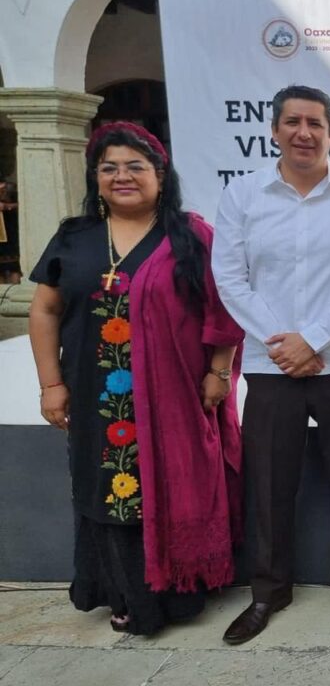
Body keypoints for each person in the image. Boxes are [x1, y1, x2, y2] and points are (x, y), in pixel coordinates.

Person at [28, 121, 244, 635]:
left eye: (135, 167)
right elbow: (44, 311)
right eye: (109, 168)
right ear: (95, 178)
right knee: (109, 487)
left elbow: (223, 310)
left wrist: (219, 372)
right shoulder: (73, 237)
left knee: (168, 485)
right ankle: (124, 593)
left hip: (174, 398)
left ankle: (176, 595)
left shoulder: (190, 237)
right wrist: (51, 383)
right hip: (95, 397)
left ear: (160, 175)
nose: (122, 176)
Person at [213, 85, 330, 644]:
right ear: (274, 130)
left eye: (315, 123)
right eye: (293, 122)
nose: (304, 132)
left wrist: (310, 340)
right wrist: (280, 342)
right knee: (269, 483)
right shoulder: (242, 196)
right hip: (270, 368)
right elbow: (230, 278)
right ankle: (268, 591)